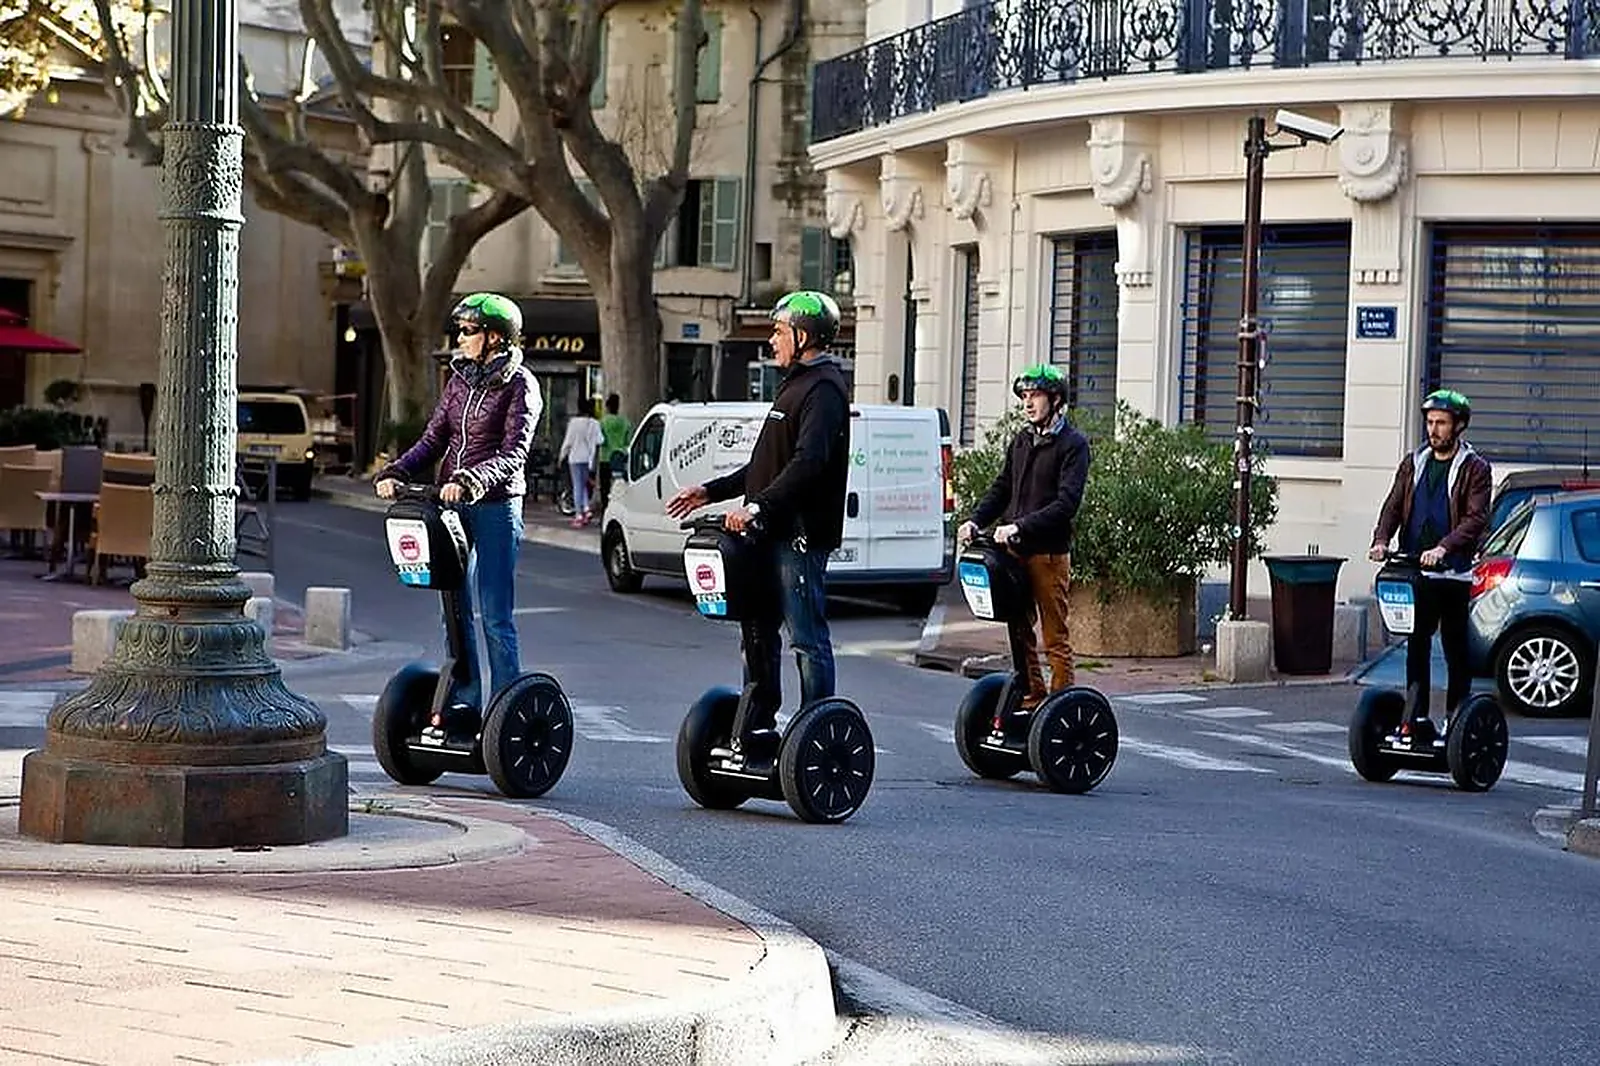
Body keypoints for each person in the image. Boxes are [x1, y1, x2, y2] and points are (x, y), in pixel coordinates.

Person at [664, 290, 851, 771]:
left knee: (806, 638)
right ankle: (757, 726)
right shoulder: (794, 386)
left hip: (799, 536)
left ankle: (814, 733)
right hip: (769, 531)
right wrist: (710, 492)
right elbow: (763, 469)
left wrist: (758, 506)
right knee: (758, 632)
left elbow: (809, 463)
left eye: (779, 331)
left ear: (803, 336)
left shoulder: (824, 389)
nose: (772, 340)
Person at [374, 292, 543, 714]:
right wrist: (397, 472)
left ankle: (504, 707)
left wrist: (472, 480)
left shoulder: (521, 385)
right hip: (452, 505)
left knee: (495, 613)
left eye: (469, 331)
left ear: (495, 337)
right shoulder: (459, 381)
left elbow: (514, 453)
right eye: (460, 330)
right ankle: (465, 700)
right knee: (454, 609)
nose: (461, 338)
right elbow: (434, 439)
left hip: (496, 505)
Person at [957, 364, 1090, 711]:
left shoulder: (1073, 445)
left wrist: (1019, 526)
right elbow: (1002, 488)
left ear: (1055, 399)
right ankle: (1034, 696)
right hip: (1014, 553)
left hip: (1048, 554)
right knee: (1019, 630)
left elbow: (1066, 505)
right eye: (1025, 397)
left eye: (1036, 396)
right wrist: (975, 521)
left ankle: (1060, 706)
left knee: (1054, 637)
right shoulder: (1022, 440)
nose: (1028, 403)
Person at [1369, 388, 1492, 743]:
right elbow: (1393, 506)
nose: (1433, 430)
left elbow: (1475, 519)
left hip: (1452, 573)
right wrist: (1381, 540)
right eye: (1430, 422)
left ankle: (1456, 716)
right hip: (1415, 571)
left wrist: (1443, 547)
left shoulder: (1475, 468)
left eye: (1441, 423)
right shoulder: (1414, 462)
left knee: (1454, 648)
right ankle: (1415, 717)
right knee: (1416, 643)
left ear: (1459, 426)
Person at [559, 402, 604, 527]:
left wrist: (562, 456)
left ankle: (579, 514)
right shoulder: (594, 423)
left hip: (574, 458)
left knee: (577, 486)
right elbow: (600, 440)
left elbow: (568, 442)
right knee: (582, 484)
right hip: (588, 459)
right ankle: (586, 509)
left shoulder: (573, 423)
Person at [597, 393, 632, 514]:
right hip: (620, 458)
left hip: (606, 458)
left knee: (605, 488)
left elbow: (601, 440)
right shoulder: (625, 422)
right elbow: (628, 442)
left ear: (607, 406)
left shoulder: (603, 422)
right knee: (620, 486)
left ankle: (605, 510)